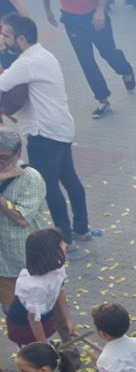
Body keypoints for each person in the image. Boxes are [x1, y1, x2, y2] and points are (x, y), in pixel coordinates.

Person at [0, 15, 92, 243]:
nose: (4, 40)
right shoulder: (44, 55)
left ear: (21, 39)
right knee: (69, 179)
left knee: (48, 186)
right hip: (61, 128)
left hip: (43, 134)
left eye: (7, 36)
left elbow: (3, 84)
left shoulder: (26, 63)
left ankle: (65, 238)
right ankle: (82, 228)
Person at [33, 0, 134, 120]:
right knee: (86, 60)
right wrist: (48, 10)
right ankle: (102, 99)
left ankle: (125, 69)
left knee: (108, 53)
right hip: (71, 19)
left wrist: (100, 12)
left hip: (94, 15)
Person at [0, 129, 48, 313]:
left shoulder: (30, 178)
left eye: (3, 157)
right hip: (2, 263)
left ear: (17, 153)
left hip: (23, 263)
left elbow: (21, 218)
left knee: (29, 313)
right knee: (10, 312)